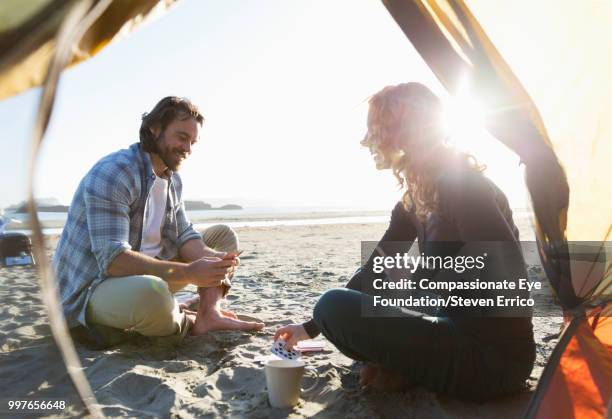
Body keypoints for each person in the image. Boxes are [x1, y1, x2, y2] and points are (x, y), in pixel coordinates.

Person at [274, 83, 536, 401]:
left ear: (401, 132)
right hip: (451, 325)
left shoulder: (463, 185)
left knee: (333, 304)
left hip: (493, 361)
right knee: (339, 306)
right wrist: (309, 328)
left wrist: (420, 279)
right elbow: (375, 269)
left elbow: (509, 278)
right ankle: (404, 369)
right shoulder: (415, 199)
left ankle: (404, 369)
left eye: (375, 129)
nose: (367, 141)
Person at [53, 97, 263, 346]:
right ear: (155, 128)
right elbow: (112, 260)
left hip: (147, 275)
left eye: (192, 142)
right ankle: (186, 320)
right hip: (92, 290)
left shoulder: (172, 179)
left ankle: (209, 313)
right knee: (152, 295)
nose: (188, 148)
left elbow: (184, 235)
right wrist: (189, 272)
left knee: (223, 238)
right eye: (181, 137)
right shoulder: (114, 173)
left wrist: (214, 260)